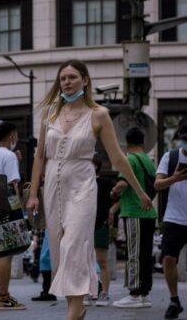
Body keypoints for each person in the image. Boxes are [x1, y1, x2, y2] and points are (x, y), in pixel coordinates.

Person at [25, 59, 153, 320]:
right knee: (61, 248)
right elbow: (39, 156)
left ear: (85, 80)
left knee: (74, 243)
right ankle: (78, 305)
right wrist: (32, 194)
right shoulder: (49, 113)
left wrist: (140, 191)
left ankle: (72, 314)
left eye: (72, 77)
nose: (67, 82)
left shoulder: (98, 114)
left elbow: (117, 158)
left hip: (82, 185)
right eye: (63, 79)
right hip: (52, 186)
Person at [110, 127, 157, 309]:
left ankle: (134, 293)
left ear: (127, 144)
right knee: (145, 254)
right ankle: (144, 293)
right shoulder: (149, 161)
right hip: (149, 213)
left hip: (134, 212)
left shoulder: (129, 159)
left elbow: (123, 183)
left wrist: (114, 191)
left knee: (134, 254)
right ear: (143, 142)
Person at [0, 121, 26, 311]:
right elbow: (14, 184)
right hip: (7, 206)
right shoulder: (9, 156)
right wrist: (20, 211)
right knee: (7, 254)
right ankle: (4, 296)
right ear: (11, 136)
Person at [155, 118, 187, 319]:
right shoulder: (171, 157)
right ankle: (174, 300)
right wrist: (174, 178)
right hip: (175, 217)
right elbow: (157, 185)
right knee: (168, 259)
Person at [86, 154, 114, 307]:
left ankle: (104, 293)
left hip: (100, 224)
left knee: (102, 261)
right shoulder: (81, 182)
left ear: (95, 165)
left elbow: (118, 199)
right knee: (85, 261)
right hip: (83, 225)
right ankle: (88, 292)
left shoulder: (106, 183)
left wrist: (111, 211)